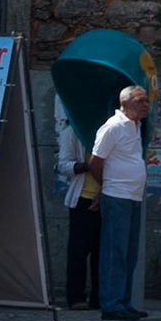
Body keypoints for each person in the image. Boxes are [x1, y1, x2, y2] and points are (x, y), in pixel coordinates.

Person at [90, 86, 151, 321]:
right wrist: (106, 186)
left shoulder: (136, 126)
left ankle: (124, 301)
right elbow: (96, 161)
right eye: (139, 101)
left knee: (128, 254)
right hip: (117, 195)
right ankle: (111, 303)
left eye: (145, 100)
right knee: (114, 252)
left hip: (133, 196)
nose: (145, 104)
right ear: (125, 104)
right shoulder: (112, 127)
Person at [55, 117, 101, 309]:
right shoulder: (72, 133)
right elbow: (64, 165)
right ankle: (76, 297)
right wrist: (87, 165)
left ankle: (99, 297)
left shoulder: (108, 132)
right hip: (82, 198)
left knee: (102, 252)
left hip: (107, 196)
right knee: (78, 251)